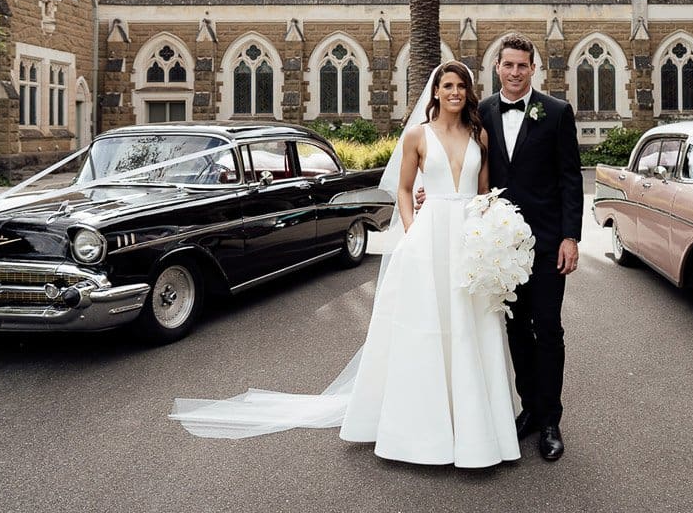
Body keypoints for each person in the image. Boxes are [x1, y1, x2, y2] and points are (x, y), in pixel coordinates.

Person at [170, 61, 520, 469]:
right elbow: (405, 190)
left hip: (469, 244)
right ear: (436, 92)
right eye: (448, 86)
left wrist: (490, 235)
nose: (455, 93)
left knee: (470, 326)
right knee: (430, 328)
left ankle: (475, 424)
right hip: (429, 239)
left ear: (468, 91)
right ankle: (424, 430)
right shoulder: (416, 136)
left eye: (461, 86)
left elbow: (483, 192)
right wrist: (411, 234)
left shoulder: (479, 134)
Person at [476, 33, 583, 461]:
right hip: (501, 247)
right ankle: (530, 410)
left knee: (549, 330)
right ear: (497, 68)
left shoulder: (556, 112)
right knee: (516, 330)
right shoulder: (481, 111)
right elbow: (466, 166)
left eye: (523, 65)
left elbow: (571, 178)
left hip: (547, 243)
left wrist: (570, 237)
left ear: (533, 68)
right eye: (508, 65)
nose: (515, 72)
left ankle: (551, 418)